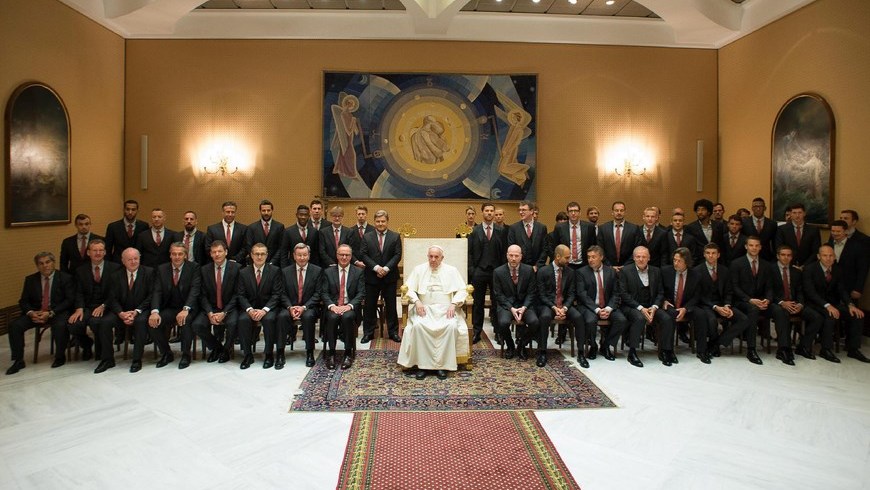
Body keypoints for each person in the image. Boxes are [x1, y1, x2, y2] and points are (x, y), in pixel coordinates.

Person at [398, 245, 470, 380]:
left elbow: (462, 290)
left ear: (442, 258)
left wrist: (454, 304)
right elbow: (408, 289)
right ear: (427, 256)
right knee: (418, 326)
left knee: (450, 326)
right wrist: (417, 301)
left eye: (436, 257)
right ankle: (423, 366)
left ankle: (442, 366)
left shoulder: (451, 270)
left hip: (446, 309)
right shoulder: (419, 269)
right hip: (424, 308)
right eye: (430, 256)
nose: (433, 259)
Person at [6, 252, 75, 375]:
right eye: (41, 263)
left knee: (60, 326)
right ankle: (18, 360)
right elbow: (23, 301)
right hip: (36, 313)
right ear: (37, 266)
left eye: (48, 262)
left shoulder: (65, 278)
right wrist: (31, 313)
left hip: (57, 312)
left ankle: (60, 356)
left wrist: (51, 313)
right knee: (14, 326)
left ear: (53, 263)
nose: (45, 266)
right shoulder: (30, 280)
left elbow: (69, 300)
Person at [802, 245, 868, 363]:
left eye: (831, 256)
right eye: (825, 255)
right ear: (818, 256)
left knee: (857, 315)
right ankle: (825, 349)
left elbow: (842, 290)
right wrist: (827, 305)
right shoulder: (809, 269)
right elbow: (810, 292)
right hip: (814, 303)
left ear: (835, 257)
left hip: (833, 304)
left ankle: (853, 349)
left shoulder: (837, 270)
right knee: (831, 315)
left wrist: (850, 304)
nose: (828, 258)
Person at [693, 243, 749, 364]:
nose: (711, 255)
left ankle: (716, 343)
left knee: (743, 319)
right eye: (708, 253)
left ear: (718, 255)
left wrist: (727, 305)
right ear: (704, 254)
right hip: (706, 305)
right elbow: (698, 295)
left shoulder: (725, 270)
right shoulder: (697, 271)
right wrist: (715, 307)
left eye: (713, 253)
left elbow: (729, 291)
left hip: (723, 304)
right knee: (712, 320)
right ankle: (714, 346)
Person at [67, 239, 121, 363]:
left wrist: (104, 305)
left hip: (107, 306)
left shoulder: (115, 268)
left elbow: (116, 293)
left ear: (105, 252)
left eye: (101, 250)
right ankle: (86, 344)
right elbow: (78, 292)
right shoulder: (80, 270)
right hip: (87, 306)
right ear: (88, 253)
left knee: (97, 322)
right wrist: (79, 308)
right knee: (74, 324)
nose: (98, 253)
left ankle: (102, 354)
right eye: (95, 250)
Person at [149, 242, 201, 369]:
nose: (177, 257)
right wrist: (154, 311)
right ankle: (166, 353)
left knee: (186, 320)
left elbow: (195, 290)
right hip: (170, 307)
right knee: (153, 323)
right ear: (170, 255)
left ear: (185, 255)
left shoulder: (194, 267)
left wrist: (186, 309)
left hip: (188, 308)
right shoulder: (162, 269)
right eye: (174, 254)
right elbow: (157, 291)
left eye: (180, 254)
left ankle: (186, 354)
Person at [104, 248, 156, 373]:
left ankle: (137, 360)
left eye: (136, 258)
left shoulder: (149, 272)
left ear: (140, 258)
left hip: (142, 309)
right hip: (121, 311)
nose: (133, 262)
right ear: (123, 261)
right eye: (129, 259)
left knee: (140, 322)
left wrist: (137, 311)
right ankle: (107, 359)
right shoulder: (115, 275)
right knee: (105, 322)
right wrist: (121, 313)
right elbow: (112, 298)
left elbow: (152, 295)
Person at [769, 245, 822, 365]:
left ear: (792, 257)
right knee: (782, 313)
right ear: (777, 256)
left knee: (816, 317)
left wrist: (800, 304)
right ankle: (783, 349)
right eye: (783, 255)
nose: (786, 257)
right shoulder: (769, 269)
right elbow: (768, 290)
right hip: (776, 303)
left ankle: (803, 346)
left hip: (794, 303)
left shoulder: (796, 271)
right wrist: (782, 302)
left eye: (789, 255)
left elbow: (800, 291)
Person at [718, 236, 768, 365]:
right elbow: (734, 287)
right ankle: (751, 349)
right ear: (746, 247)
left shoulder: (766, 264)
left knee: (771, 310)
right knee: (753, 310)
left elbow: (770, 287)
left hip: (760, 302)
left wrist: (767, 299)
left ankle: (784, 348)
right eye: (751, 245)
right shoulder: (736, 263)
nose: (754, 248)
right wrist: (750, 300)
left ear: (760, 247)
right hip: (740, 301)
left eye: (756, 245)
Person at [576, 245, 627, 366]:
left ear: (601, 257)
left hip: (608, 306)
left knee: (621, 320)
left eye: (593, 257)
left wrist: (609, 308)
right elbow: (582, 295)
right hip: (590, 307)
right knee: (590, 320)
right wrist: (597, 310)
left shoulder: (611, 272)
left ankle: (606, 345)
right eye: (588, 257)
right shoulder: (581, 272)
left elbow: (616, 293)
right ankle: (593, 346)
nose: (590, 260)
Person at [192, 240, 240, 364]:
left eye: (220, 251)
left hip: (229, 308)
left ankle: (226, 349)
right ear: (210, 254)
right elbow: (202, 295)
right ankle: (217, 348)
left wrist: (224, 312)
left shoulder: (237, 268)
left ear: (226, 252)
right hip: (211, 308)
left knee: (233, 323)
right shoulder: (204, 270)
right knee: (197, 324)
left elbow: (237, 294)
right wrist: (209, 312)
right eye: (214, 252)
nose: (217, 254)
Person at [618, 246, 668, 368]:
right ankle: (632, 352)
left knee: (666, 318)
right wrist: (640, 308)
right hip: (631, 306)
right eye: (638, 256)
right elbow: (623, 294)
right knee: (639, 318)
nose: (641, 259)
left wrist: (654, 307)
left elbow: (661, 292)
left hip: (651, 306)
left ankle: (665, 350)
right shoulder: (625, 271)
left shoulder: (656, 271)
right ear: (634, 258)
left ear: (649, 258)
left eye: (644, 257)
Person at [236, 243, 283, 370]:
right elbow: (241, 295)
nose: (259, 257)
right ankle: (247, 355)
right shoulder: (243, 272)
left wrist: (264, 310)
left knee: (269, 319)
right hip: (250, 308)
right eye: (257, 254)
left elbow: (276, 294)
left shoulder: (275, 271)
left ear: (267, 255)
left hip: (268, 308)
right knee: (243, 319)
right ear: (251, 255)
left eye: (262, 254)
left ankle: (268, 354)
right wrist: (250, 309)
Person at [360, 210, 402, 344]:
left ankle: (393, 332)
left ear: (387, 222)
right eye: (378, 221)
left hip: (389, 277)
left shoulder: (395, 236)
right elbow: (363, 255)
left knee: (391, 306)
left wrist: (386, 268)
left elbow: (397, 255)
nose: (380, 224)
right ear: (374, 222)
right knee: (369, 306)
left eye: (383, 221)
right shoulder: (367, 237)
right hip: (372, 277)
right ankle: (368, 333)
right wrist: (376, 268)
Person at [492, 244, 540, 360]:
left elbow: (532, 292)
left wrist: (524, 307)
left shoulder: (529, 270)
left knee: (534, 322)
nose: (513, 258)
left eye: (516, 256)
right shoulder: (498, 272)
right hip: (506, 305)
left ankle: (522, 345)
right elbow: (499, 295)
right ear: (507, 256)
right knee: (503, 323)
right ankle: (510, 346)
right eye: (511, 255)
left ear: (521, 257)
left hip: (524, 304)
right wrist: (511, 308)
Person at [537, 245, 582, 367]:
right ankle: (542, 352)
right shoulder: (543, 271)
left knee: (578, 317)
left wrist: (565, 308)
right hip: (549, 305)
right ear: (557, 256)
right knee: (544, 317)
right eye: (566, 257)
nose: (569, 260)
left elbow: (572, 294)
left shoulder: (570, 272)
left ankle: (581, 353)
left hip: (565, 305)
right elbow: (541, 295)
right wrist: (554, 307)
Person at [278, 243, 323, 367]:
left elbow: (318, 293)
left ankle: (309, 352)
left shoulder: (317, 271)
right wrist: (290, 307)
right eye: (299, 255)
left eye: (304, 255)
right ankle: (280, 353)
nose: (302, 258)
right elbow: (281, 293)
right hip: (290, 306)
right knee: (281, 316)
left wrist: (304, 307)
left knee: (308, 317)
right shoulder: (285, 272)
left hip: (309, 307)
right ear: (294, 256)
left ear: (309, 255)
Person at [321, 244, 365, 370]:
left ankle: (347, 353)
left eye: (347, 255)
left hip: (349, 307)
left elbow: (361, 293)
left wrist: (350, 306)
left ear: (351, 256)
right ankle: (331, 353)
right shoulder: (328, 272)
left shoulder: (358, 272)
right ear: (337, 255)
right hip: (333, 307)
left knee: (347, 317)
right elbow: (324, 292)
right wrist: (332, 306)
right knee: (332, 318)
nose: (344, 257)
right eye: (341, 254)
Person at [468, 202, 506, 343]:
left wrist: (503, 271)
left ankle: (498, 332)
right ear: (482, 212)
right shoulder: (475, 231)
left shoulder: (501, 231)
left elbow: (504, 252)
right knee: (478, 303)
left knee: (497, 303)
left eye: (491, 211)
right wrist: (472, 270)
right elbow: (469, 252)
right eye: (487, 210)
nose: (489, 213)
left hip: (497, 272)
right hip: (479, 271)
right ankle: (477, 332)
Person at [660, 247, 701, 366]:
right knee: (671, 315)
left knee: (702, 314)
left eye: (679, 261)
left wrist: (686, 308)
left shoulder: (696, 275)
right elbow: (659, 289)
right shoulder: (665, 271)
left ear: (686, 262)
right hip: (669, 304)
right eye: (674, 260)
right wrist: (663, 300)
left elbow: (696, 297)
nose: (675, 263)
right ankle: (667, 350)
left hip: (686, 306)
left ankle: (702, 350)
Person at [828, 220, 869, 302]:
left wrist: (858, 289)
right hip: (830, 288)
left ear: (846, 231)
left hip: (849, 287)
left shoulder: (857, 247)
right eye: (833, 231)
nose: (835, 233)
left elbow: (863, 269)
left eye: (838, 231)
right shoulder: (828, 245)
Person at [597, 201, 641, 271]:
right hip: (608, 268)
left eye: (621, 210)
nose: (619, 212)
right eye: (616, 210)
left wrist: (626, 266)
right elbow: (600, 249)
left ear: (625, 212)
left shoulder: (634, 228)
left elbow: (637, 249)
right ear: (612, 212)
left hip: (628, 268)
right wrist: (610, 266)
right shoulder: (603, 228)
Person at [775, 203, 821, 267]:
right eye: (794, 213)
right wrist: (792, 265)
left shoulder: (814, 230)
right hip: (788, 265)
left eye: (800, 213)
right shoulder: (781, 229)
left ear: (804, 213)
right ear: (790, 214)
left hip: (808, 266)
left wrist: (804, 266)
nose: (797, 215)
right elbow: (779, 248)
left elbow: (816, 251)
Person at [554, 201, 597, 270]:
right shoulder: (559, 227)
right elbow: (556, 246)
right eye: (571, 211)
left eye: (576, 211)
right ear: (567, 213)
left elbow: (593, 245)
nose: (573, 213)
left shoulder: (589, 226)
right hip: (566, 265)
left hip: (584, 265)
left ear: (580, 213)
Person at [507, 201, 548, 270]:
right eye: (520, 210)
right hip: (520, 268)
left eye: (524, 210)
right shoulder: (514, 228)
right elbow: (511, 248)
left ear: (531, 211)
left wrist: (537, 266)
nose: (521, 212)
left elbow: (545, 249)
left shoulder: (541, 228)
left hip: (537, 268)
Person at [206, 201, 249, 266]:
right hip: (217, 264)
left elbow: (245, 247)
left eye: (232, 212)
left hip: (238, 265)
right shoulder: (212, 229)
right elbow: (208, 248)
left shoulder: (243, 229)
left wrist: (235, 260)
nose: (230, 214)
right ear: (223, 213)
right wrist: (221, 259)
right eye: (228, 212)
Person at [279, 204, 319, 268]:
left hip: (310, 268)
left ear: (309, 216)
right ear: (297, 215)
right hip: (292, 267)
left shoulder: (314, 232)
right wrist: (284, 269)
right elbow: (284, 252)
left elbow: (316, 253)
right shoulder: (288, 231)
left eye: (305, 215)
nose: (303, 217)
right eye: (301, 214)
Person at [246, 199, 285, 266]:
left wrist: (272, 262)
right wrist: (258, 260)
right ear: (260, 211)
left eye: (268, 210)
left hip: (274, 265)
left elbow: (281, 247)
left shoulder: (279, 227)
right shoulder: (252, 228)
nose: (266, 213)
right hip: (256, 263)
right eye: (263, 210)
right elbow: (249, 247)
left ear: (272, 210)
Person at [742, 197, 777, 261]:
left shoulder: (772, 224)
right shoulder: (744, 222)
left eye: (760, 206)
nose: (758, 209)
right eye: (755, 206)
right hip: (748, 257)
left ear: (765, 208)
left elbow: (774, 243)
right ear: (752, 208)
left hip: (766, 258)